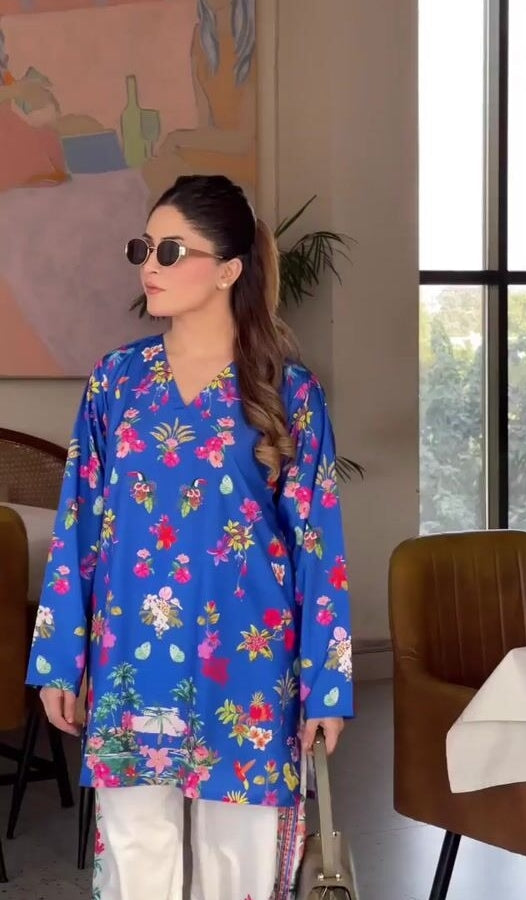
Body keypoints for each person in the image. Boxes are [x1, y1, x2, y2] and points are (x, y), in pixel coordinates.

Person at [25, 174, 353, 900]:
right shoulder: (116, 383)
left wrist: (327, 686)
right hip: (131, 665)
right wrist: (57, 659)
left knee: (238, 869)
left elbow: (318, 549)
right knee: (136, 857)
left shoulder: (285, 390)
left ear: (230, 268)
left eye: (171, 250)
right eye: (144, 247)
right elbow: (77, 527)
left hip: (250, 668)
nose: (149, 265)